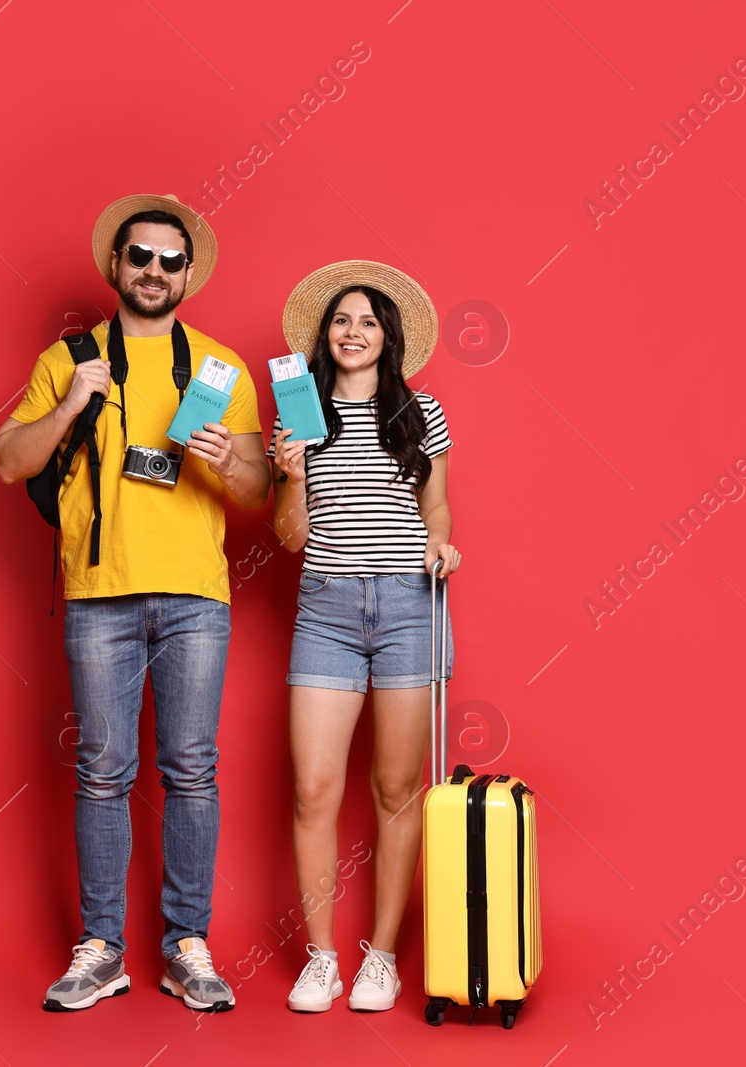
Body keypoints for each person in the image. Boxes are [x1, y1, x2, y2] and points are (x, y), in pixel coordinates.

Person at [0, 194, 270, 1013]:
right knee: (103, 772)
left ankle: (188, 943)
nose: (154, 270)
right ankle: (103, 947)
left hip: (194, 596)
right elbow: (10, 460)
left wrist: (223, 458)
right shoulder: (68, 358)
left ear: (189, 273)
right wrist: (75, 399)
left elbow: (257, 489)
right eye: (140, 257)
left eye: (169, 260)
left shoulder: (219, 366)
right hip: (100, 595)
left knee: (192, 771)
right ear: (115, 267)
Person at [267, 261, 460, 1013]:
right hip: (326, 610)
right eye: (342, 320)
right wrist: (287, 474)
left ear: (389, 338)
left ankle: (381, 956)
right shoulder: (299, 414)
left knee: (395, 789)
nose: (353, 332)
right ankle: (322, 958)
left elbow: (437, 510)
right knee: (314, 789)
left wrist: (441, 544)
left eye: (368, 322)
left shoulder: (423, 412)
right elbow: (288, 539)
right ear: (325, 335)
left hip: (412, 605)